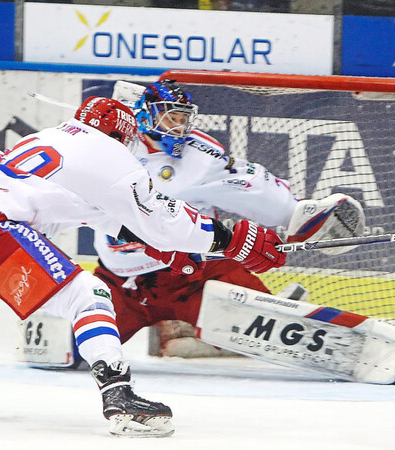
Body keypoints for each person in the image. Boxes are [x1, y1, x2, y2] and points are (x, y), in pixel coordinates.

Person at [0, 96, 286, 437]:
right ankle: (119, 397)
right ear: (120, 136)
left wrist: (173, 251)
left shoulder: (51, 140)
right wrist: (233, 240)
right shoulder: (110, 154)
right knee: (90, 295)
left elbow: (106, 216)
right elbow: (163, 219)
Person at [24, 80, 364, 360]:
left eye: (184, 118)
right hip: (120, 284)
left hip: (196, 277)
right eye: (171, 118)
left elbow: (250, 185)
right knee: (56, 354)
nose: (180, 127)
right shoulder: (108, 148)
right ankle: (205, 335)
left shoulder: (200, 156)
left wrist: (296, 212)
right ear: (145, 117)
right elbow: (63, 202)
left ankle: (226, 329)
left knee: (285, 334)